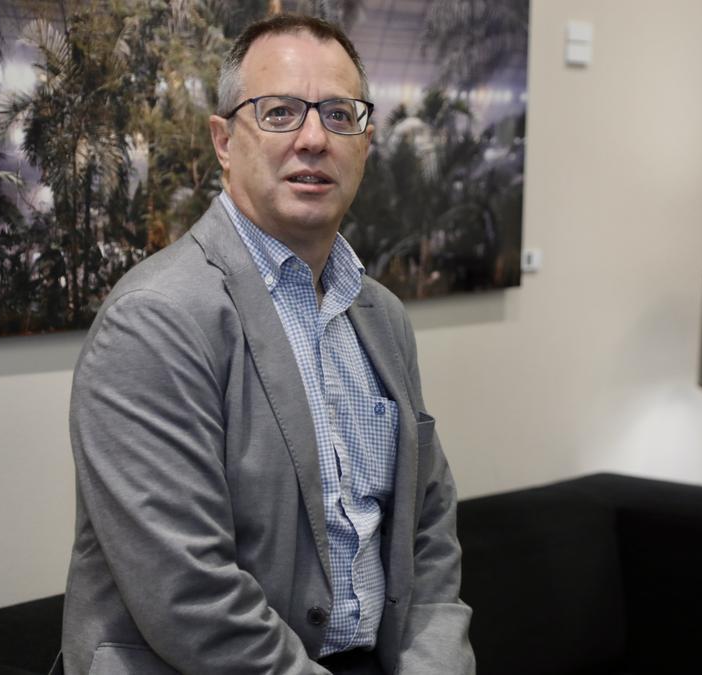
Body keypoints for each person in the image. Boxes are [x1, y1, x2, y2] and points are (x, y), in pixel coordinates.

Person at [60, 14, 474, 675]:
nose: (313, 138)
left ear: (366, 141)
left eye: (340, 114)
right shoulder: (152, 322)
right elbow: (188, 592)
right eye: (280, 112)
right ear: (224, 141)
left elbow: (427, 536)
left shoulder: (383, 317)